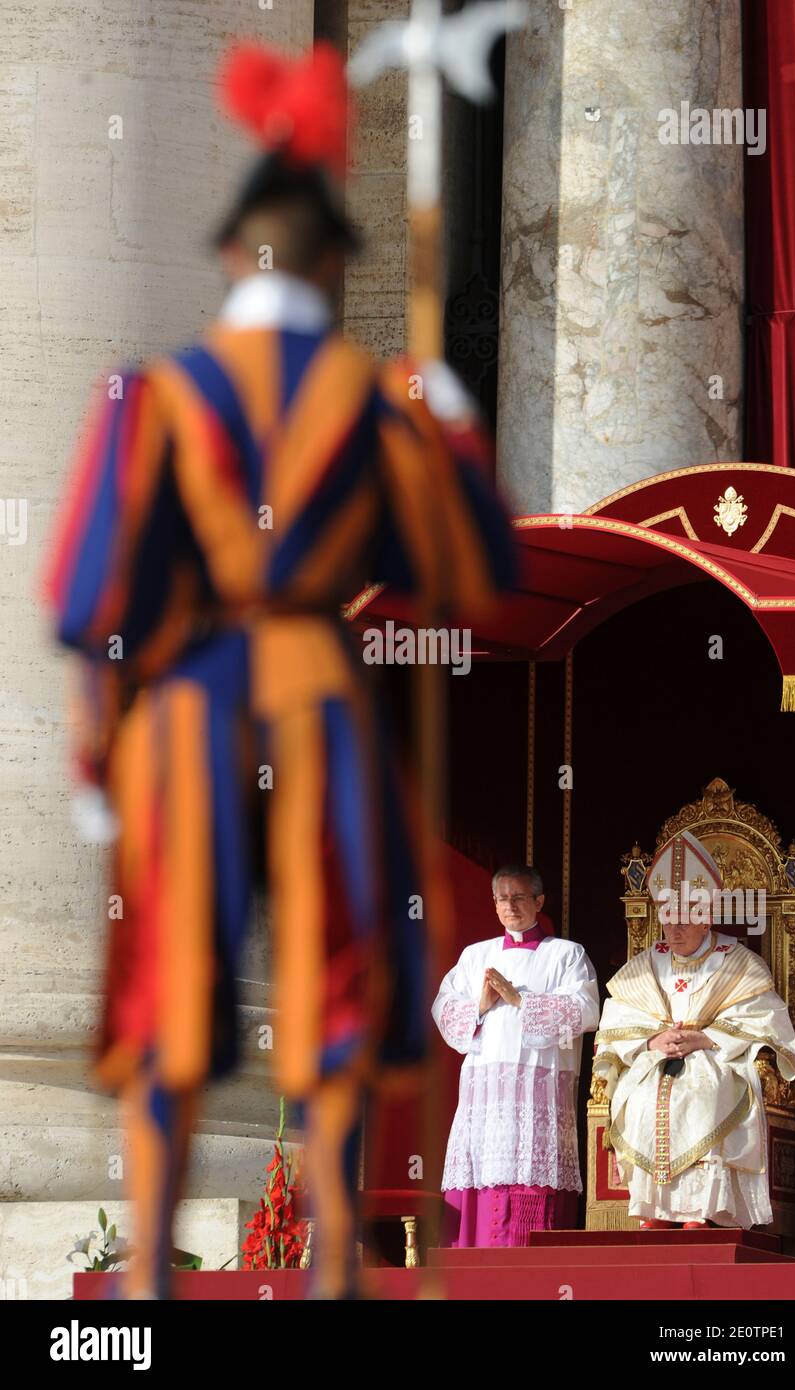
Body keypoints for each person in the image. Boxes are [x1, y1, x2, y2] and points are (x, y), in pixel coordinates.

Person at [42, 40, 516, 1299]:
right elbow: (474, 561)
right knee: (338, 981)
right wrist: (453, 418)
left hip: (190, 697)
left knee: (166, 989)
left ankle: (143, 1264)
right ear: (330, 264)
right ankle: (335, 1280)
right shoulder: (376, 404)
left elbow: (95, 602)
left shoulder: (152, 397)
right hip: (316, 684)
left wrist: (98, 751)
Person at [593, 830, 795, 1230]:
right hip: (657, 1058)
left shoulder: (737, 961)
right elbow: (616, 1015)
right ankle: (655, 1210)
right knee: (643, 1099)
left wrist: (705, 1038)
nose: (672, 928)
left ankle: (700, 1211)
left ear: (706, 919)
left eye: (684, 918)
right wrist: (653, 1040)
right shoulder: (649, 961)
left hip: (717, 1056)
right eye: (667, 917)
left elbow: (766, 1019)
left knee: (703, 1095)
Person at [432, 865, 599, 1246]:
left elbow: (587, 1011)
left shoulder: (567, 955)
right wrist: (480, 1004)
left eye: (519, 897)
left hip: (536, 1089)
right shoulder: (476, 956)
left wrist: (520, 999)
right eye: (502, 898)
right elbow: (442, 1008)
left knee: (530, 1176)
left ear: (539, 902)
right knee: (482, 1174)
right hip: (485, 1092)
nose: (510, 905)